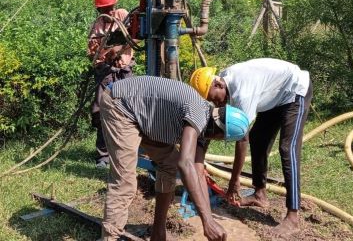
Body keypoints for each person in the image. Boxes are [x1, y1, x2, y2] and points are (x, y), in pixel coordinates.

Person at [99, 75, 249, 241]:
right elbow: (185, 164)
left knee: (169, 165)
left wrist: (209, 220)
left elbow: (197, 172)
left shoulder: (204, 124)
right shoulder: (199, 113)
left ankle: (158, 233)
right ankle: (109, 237)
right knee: (124, 181)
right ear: (220, 134)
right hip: (120, 105)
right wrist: (207, 221)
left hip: (141, 113)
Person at [190, 58, 313, 238]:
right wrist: (199, 162)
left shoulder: (243, 92)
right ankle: (260, 194)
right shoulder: (224, 80)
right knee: (258, 138)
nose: (217, 104)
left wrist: (234, 182)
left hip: (295, 91)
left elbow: (242, 139)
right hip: (274, 97)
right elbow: (211, 122)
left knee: (288, 149)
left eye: (214, 98)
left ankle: (293, 217)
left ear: (217, 84)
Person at [87, 0, 134, 168]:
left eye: (110, 7)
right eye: (104, 9)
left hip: (124, 70)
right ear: (98, 10)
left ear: (115, 5)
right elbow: (91, 52)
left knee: (128, 110)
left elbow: (135, 36)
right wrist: (98, 54)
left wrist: (119, 48)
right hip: (105, 72)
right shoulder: (98, 24)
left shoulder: (123, 15)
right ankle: (103, 156)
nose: (108, 12)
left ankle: (124, 153)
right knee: (101, 111)